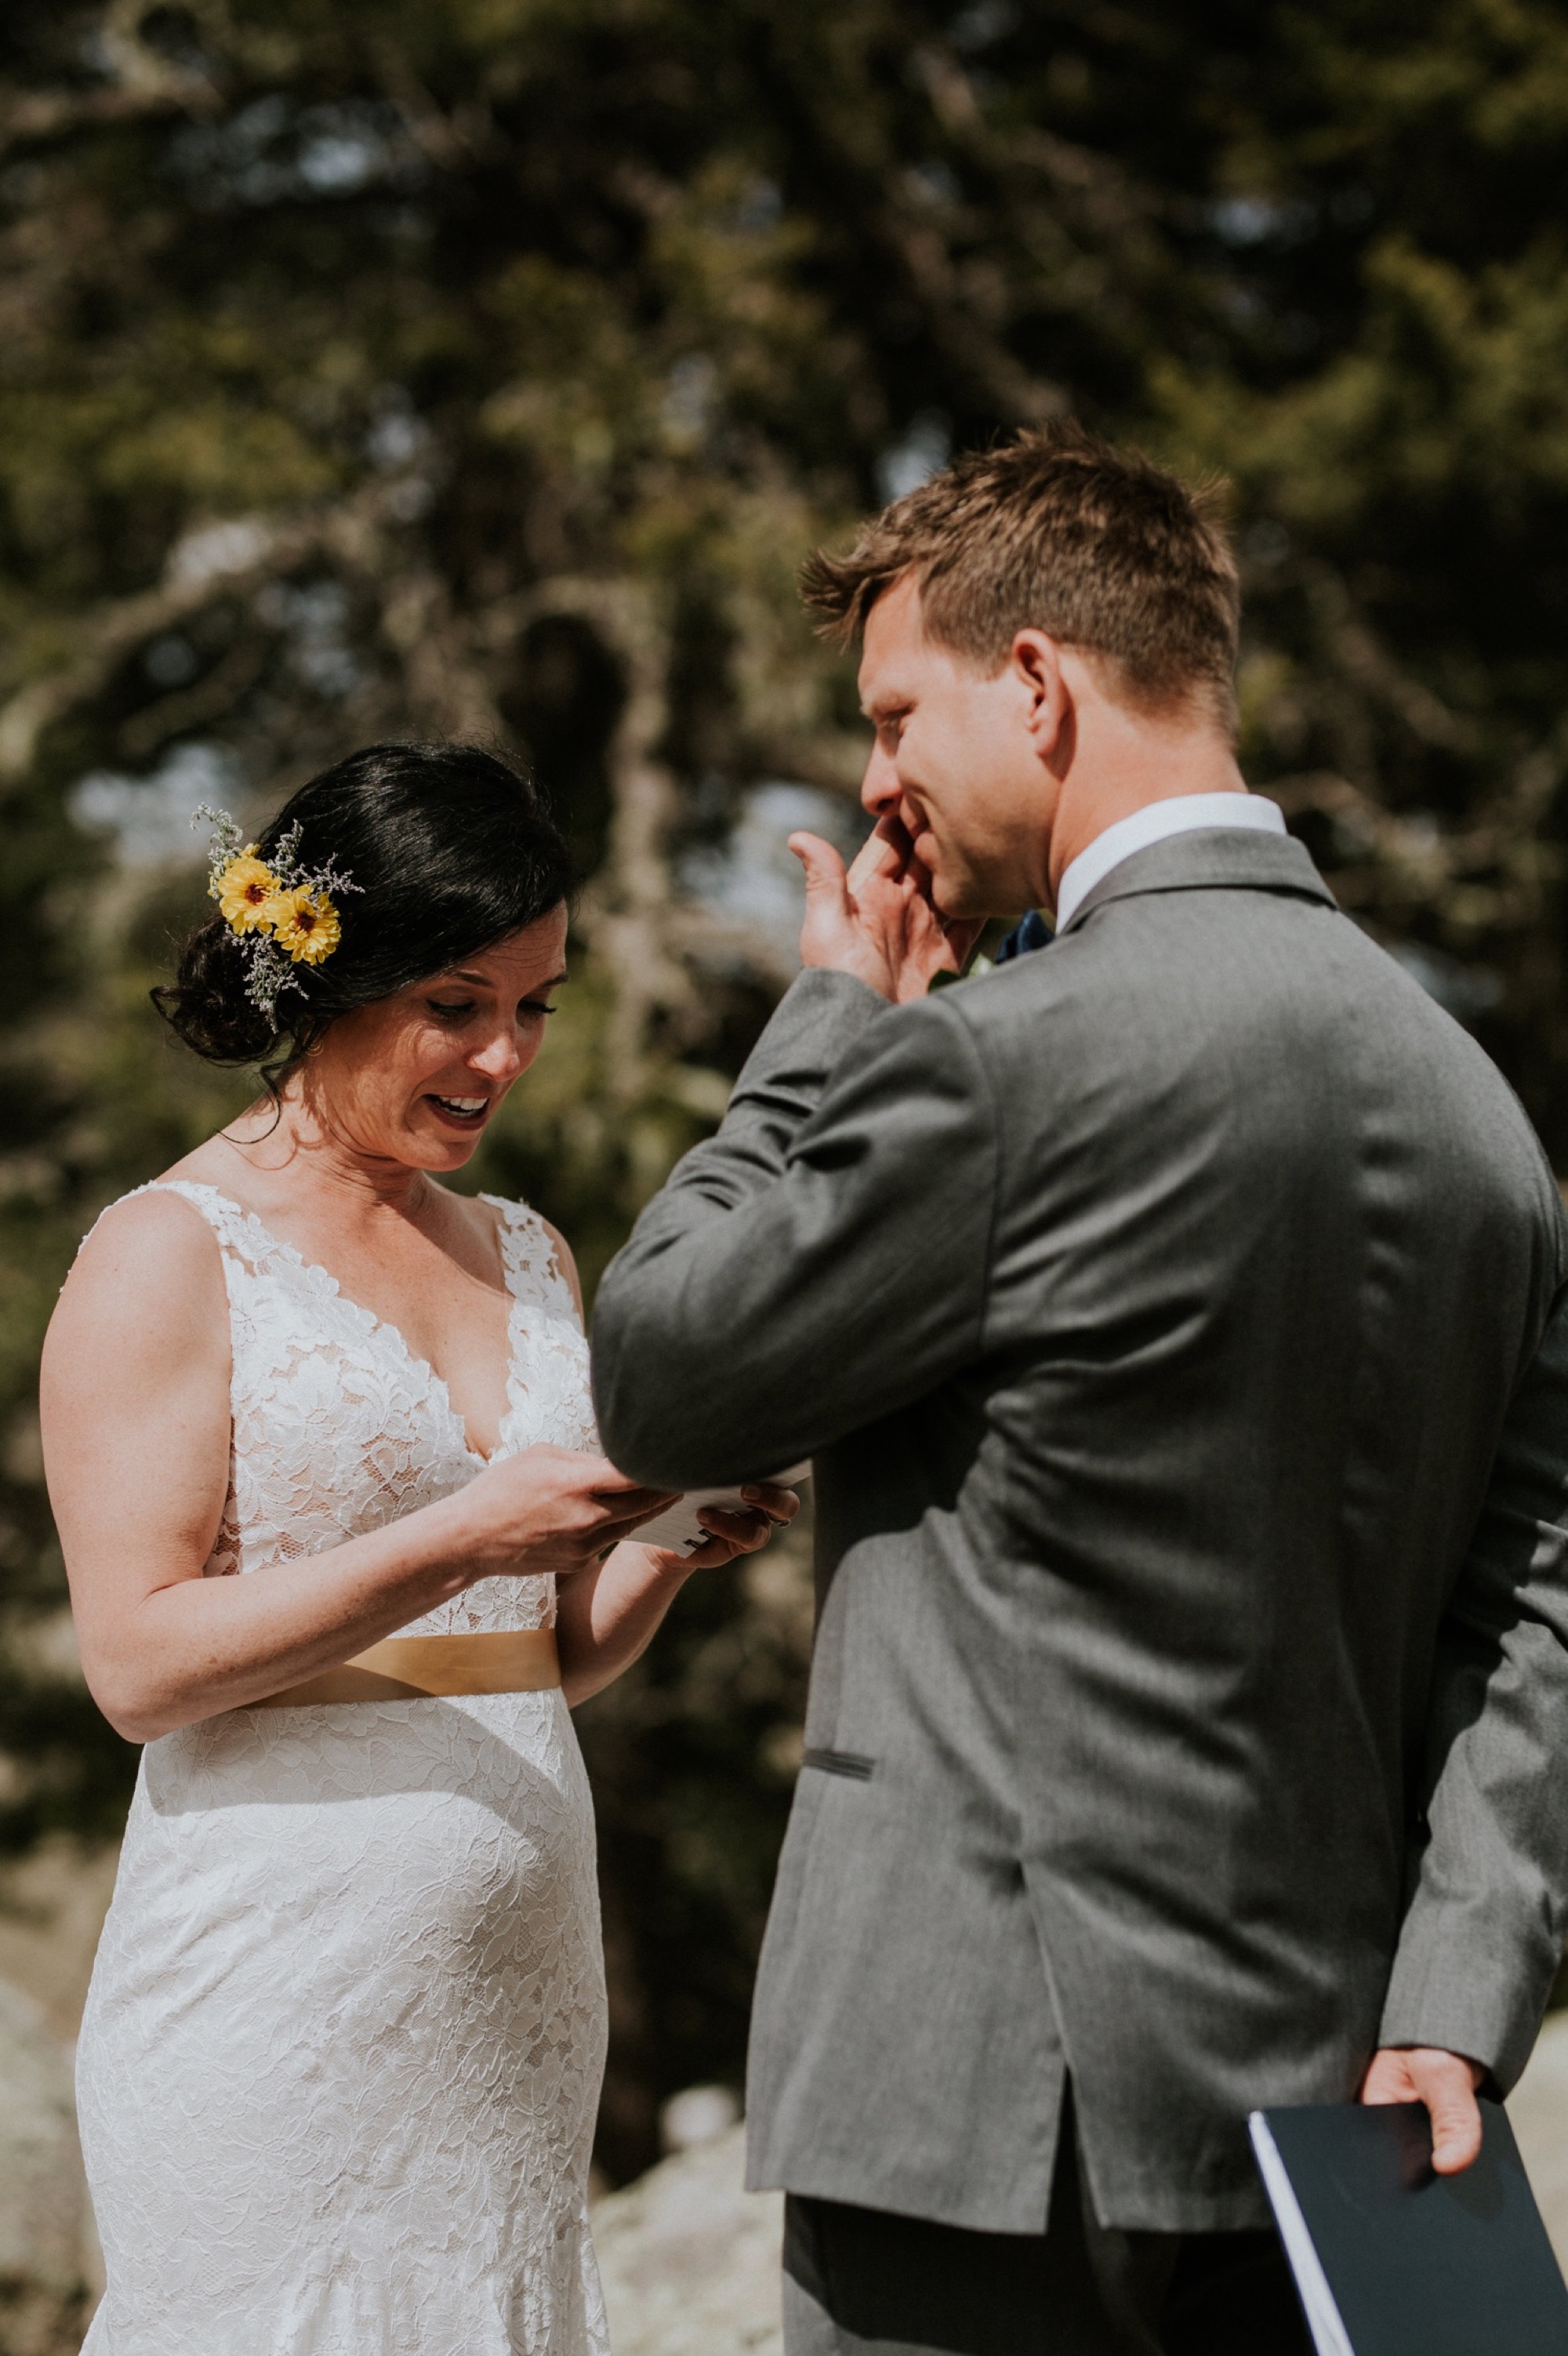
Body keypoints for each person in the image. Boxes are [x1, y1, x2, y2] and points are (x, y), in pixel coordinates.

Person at [590, 424, 1568, 2355]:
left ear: (1032, 684)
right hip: (1328, 2113)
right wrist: (1457, 1992)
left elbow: (666, 1370)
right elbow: (1538, 1594)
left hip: (966, 2113)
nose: (874, 786)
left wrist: (828, 1027)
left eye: (892, 715)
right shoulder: (1479, 1114)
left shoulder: (999, 1065)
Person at [40, 741, 795, 2356]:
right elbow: (138, 1666)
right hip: (272, 2007)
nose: (506, 1054)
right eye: (458, 1003)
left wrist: (660, 1544)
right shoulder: (166, 1252)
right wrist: (470, 1528)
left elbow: (538, 1654)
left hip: (514, 2019)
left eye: (536, 1006)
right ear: (334, 977)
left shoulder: (526, 1252)